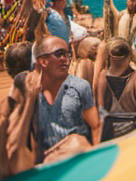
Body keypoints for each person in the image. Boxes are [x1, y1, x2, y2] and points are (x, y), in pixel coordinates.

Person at [34, 34, 99, 162]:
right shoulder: (32, 91)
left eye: (67, 54)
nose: (65, 59)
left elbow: (95, 126)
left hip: (78, 158)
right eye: (59, 54)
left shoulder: (80, 86)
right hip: (48, 162)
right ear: (43, 61)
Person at [94, 37, 136, 141]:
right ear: (129, 56)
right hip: (133, 132)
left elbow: (101, 109)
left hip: (111, 132)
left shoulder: (103, 75)